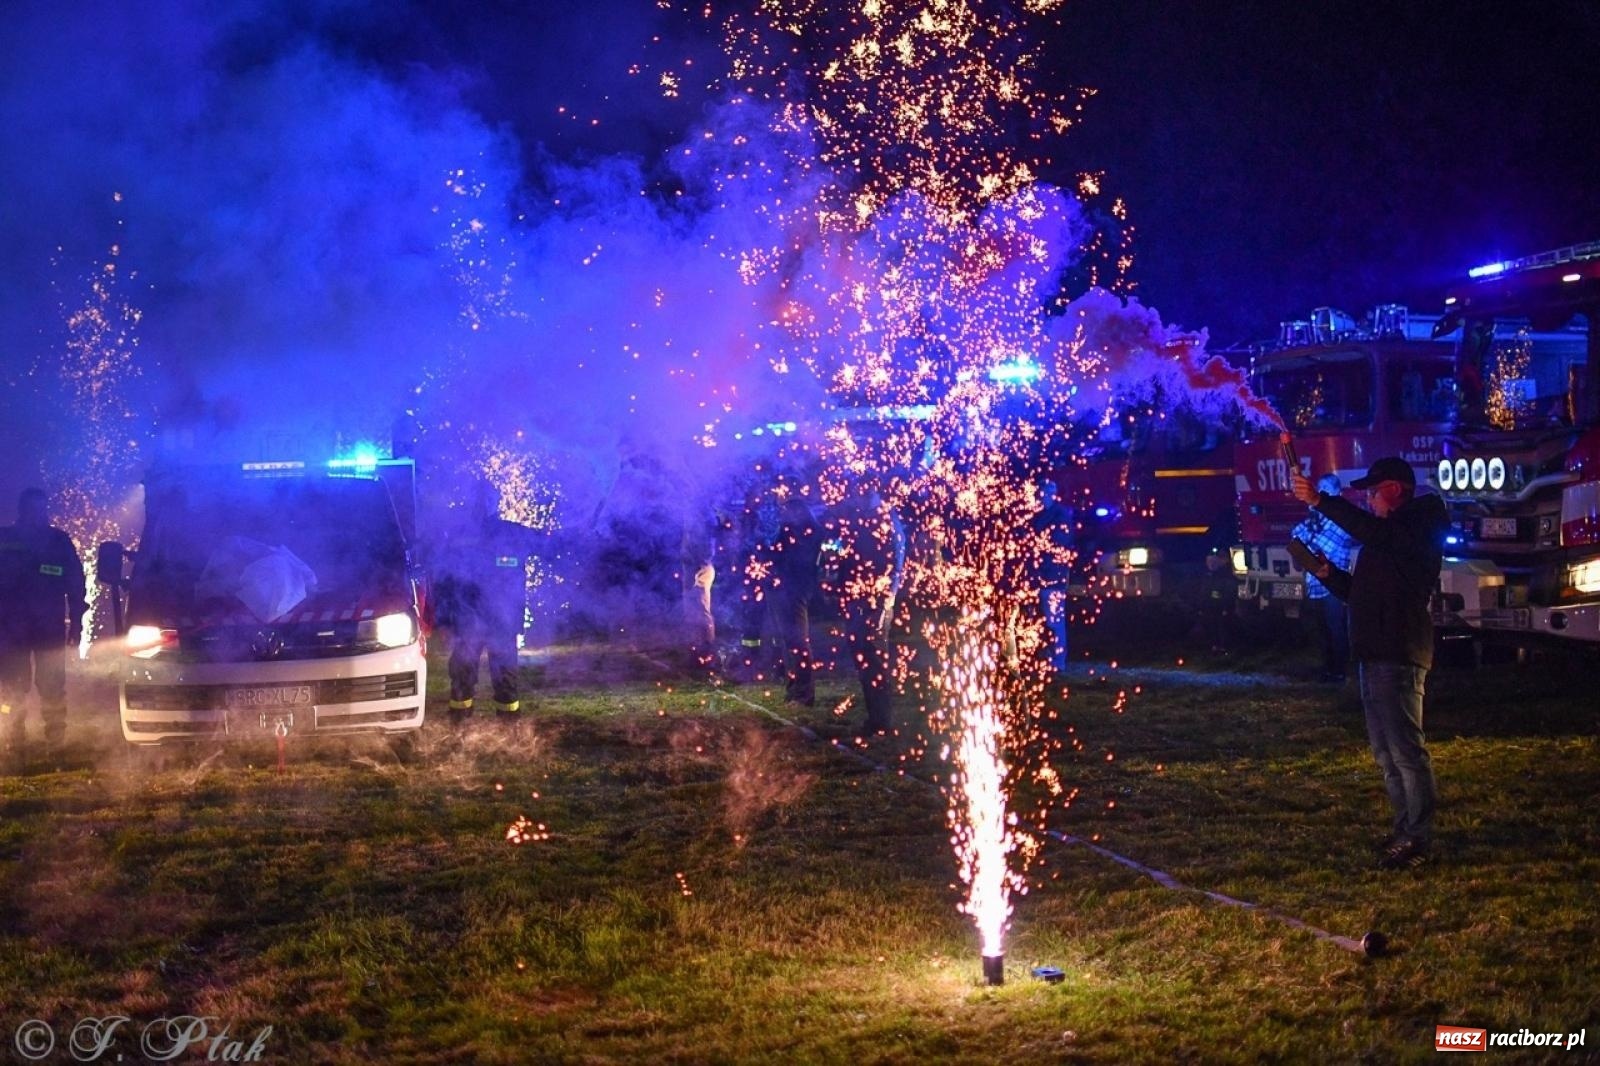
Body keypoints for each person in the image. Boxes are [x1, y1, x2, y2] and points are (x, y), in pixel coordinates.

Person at [1291, 457, 1447, 870]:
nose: (1368, 499)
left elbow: (1375, 532)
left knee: (1406, 752)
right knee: (1386, 753)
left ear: (1395, 491)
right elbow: (1360, 594)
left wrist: (1322, 501)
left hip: (1398, 653)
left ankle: (1418, 836)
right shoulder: (1386, 539)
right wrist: (1328, 574)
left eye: (1373, 492)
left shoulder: (1416, 526)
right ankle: (1404, 831)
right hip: (1375, 654)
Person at [432, 482, 545, 725]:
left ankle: (509, 726)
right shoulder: (457, 535)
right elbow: (442, 580)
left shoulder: (513, 533)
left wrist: (585, 532)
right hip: (466, 621)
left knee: (505, 676)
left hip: (501, 623)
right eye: (480, 499)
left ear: (497, 502)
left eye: (488, 499)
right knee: (462, 675)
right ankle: (459, 725)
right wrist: (443, 621)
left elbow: (549, 544)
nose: (484, 504)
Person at [0, 488, 87, 764]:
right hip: (11, 628)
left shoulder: (58, 542)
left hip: (47, 626)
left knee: (51, 685)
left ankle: (55, 742)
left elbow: (75, 583)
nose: (36, 515)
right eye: (31, 509)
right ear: (21, 510)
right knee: (12, 687)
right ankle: (13, 740)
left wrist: (76, 623)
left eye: (40, 509)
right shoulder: (4, 539)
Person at [820, 485, 904, 738]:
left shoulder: (888, 519)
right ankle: (875, 717)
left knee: (875, 659)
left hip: (876, 600)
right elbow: (845, 554)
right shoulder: (857, 519)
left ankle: (883, 720)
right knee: (863, 658)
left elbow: (897, 560)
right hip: (855, 598)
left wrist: (889, 595)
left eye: (864, 494)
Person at [1291, 472, 1357, 683]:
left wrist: (1305, 541)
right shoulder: (1314, 520)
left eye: (1327, 490)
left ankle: (1340, 671)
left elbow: (1320, 546)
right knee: (1321, 631)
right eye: (1320, 490)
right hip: (1315, 584)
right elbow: (1295, 538)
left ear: (1338, 493)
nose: (1322, 494)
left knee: (1336, 629)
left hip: (1334, 586)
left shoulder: (1340, 522)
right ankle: (1328, 669)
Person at [761, 496, 821, 706]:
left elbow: (793, 560)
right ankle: (794, 688)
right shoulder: (787, 530)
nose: (782, 512)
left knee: (797, 641)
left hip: (795, 590)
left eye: (787, 509)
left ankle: (804, 692)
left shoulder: (806, 533)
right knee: (787, 641)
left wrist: (769, 554)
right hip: (782, 590)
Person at [1030, 480, 1075, 674]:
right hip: (1041, 575)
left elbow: (1058, 543)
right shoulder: (1039, 514)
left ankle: (1058, 661)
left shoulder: (1060, 515)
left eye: (1045, 493)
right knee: (1044, 620)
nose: (1042, 496)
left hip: (1053, 576)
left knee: (1054, 620)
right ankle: (1047, 658)